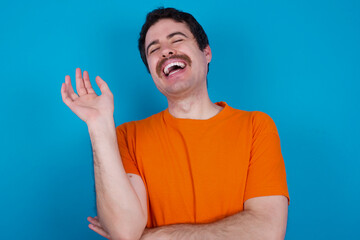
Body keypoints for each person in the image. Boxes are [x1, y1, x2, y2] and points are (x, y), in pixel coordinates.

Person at [61, 7, 289, 240]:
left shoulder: (256, 126)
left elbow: (267, 231)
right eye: (154, 49)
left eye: (177, 40)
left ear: (206, 52)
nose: (166, 51)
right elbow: (125, 232)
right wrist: (99, 126)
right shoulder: (128, 136)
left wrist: (150, 236)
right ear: (151, 71)